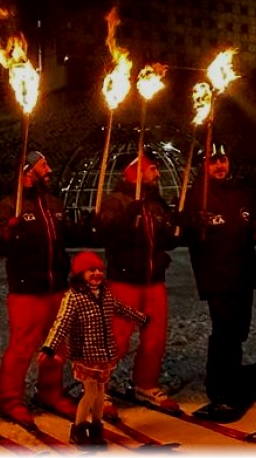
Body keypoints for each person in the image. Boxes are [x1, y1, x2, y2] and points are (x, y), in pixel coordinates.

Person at [180, 144, 256, 422]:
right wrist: (192, 223)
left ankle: (232, 376)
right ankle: (220, 387)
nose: (219, 166)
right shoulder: (197, 196)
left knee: (238, 331)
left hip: (243, 274)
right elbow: (183, 230)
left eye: (222, 160)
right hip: (217, 276)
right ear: (203, 166)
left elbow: (249, 231)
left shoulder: (241, 193)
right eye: (212, 162)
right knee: (225, 332)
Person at [0, 151, 77, 424]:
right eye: (43, 165)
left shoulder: (52, 203)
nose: (49, 169)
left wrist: (90, 226)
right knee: (22, 346)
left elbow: (69, 237)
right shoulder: (10, 205)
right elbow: (0, 245)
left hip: (57, 286)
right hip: (27, 289)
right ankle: (9, 399)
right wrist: (7, 233)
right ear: (28, 171)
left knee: (56, 345)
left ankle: (50, 392)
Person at [96, 152, 180, 411]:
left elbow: (166, 240)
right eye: (152, 169)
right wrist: (126, 216)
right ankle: (98, 387)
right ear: (135, 173)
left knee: (155, 338)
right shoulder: (117, 200)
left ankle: (145, 383)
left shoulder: (156, 204)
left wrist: (180, 225)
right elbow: (105, 231)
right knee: (118, 338)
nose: (157, 173)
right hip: (125, 279)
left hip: (154, 279)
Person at [40, 251, 147, 446]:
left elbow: (120, 308)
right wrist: (49, 347)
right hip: (85, 354)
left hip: (104, 353)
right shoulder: (74, 297)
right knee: (90, 392)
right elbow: (62, 322)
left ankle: (96, 427)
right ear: (81, 274)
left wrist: (141, 318)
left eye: (99, 270)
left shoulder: (105, 294)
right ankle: (78, 427)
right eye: (91, 270)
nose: (97, 273)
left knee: (99, 392)